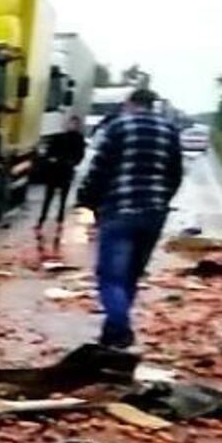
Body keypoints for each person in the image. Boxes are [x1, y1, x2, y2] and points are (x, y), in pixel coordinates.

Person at [75, 88, 183, 348]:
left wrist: (87, 201)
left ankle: (121, 330)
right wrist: (162, 201)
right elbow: (175, 174)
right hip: (153, 215)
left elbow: (99, 169)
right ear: (152, 104)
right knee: (131, 277)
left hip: (119, 211)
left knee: (110, 277)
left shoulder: (118, 127)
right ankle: (110, 336)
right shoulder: (169, 130)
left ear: (130, 104)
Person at [34, 115, 87, 246]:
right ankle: (42, 219)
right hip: (56, 171)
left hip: (65, 171)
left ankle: (59, 220)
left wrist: (71, 162)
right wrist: (52, 159)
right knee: (49, 197)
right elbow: (49, 152)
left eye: (75, 123)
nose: (72, 126)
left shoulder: (78, 139)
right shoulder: (60, 137)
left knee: (62, 198)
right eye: (71, 123)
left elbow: (80, 155)